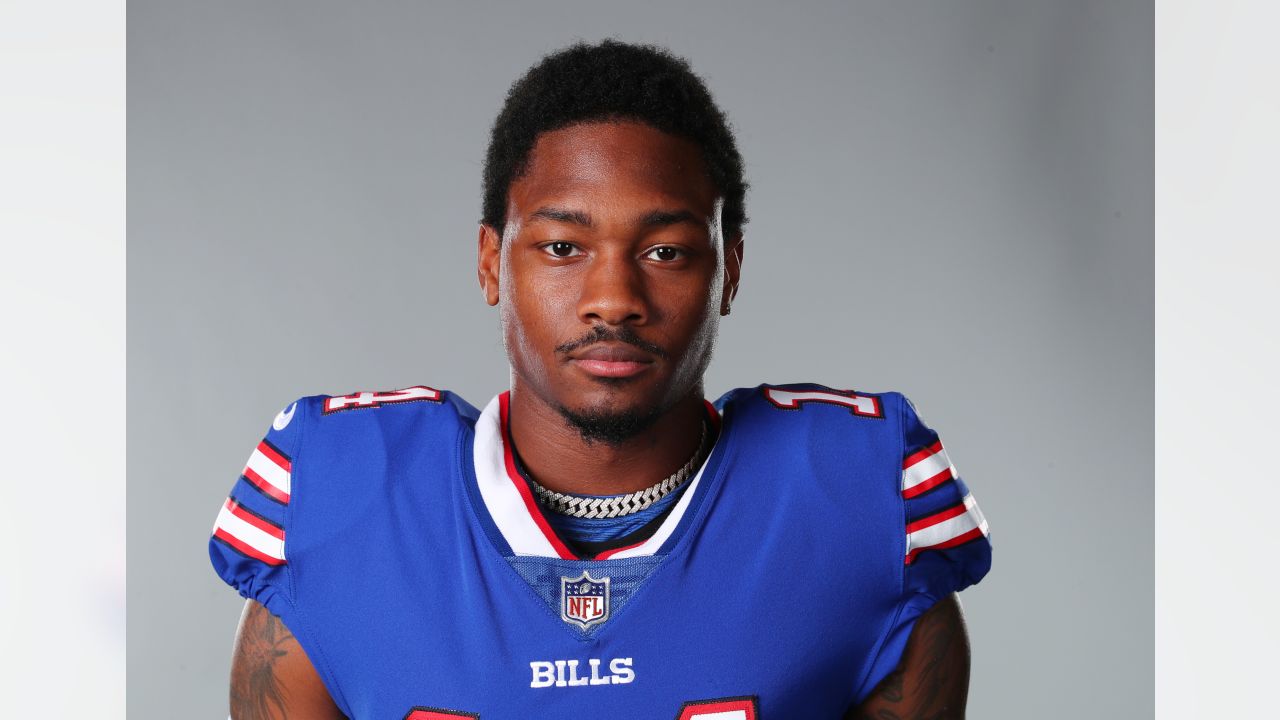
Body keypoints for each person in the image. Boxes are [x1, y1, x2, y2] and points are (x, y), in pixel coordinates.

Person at [209, 40, 991, 720]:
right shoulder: (336, 496)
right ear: (491, 262)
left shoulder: (859, 503)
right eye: (560, 248)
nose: (613, 299)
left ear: (730, 270)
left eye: (666, 251)